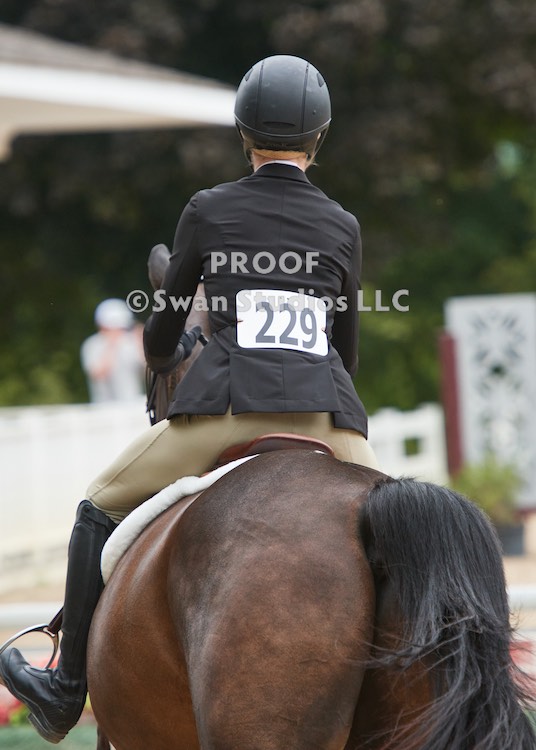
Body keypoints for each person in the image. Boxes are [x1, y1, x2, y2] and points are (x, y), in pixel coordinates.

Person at [0, 55, 379, 743]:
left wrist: (169, 353)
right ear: (319, 137)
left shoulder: (209, 208)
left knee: (98, 504)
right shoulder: (343, 224)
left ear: (243, 132)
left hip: (228, 408)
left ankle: (63, 687)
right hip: (329, 415)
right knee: (404, 524)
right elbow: (345, 351)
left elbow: (164, 330)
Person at [80, 298, 145, 402]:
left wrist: (141, 343)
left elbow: (146, 372)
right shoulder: (92, 345)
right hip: (105, 407)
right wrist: (111, 345)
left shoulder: (130, 343)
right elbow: (97, 374)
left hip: (133, 405)